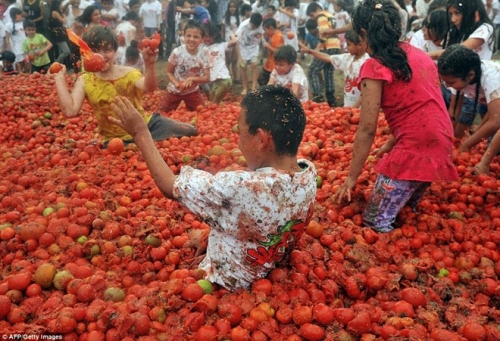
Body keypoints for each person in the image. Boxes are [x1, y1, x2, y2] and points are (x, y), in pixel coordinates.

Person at [107, 85, 317, 290]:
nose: (238, 141)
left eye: (241, 133)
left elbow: (170, 186)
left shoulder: (241, 187)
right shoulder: (307, 173)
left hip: (225, 285)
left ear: (262, 139)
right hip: (268, 268)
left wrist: (140, 132)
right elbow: (262, 219)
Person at [333, 0, 458, 233]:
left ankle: (394, 261)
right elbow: (419, 106)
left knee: (375, 221)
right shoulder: (418, 54)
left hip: (416, 147)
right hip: (441, 141)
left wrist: (351, 178)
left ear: (362, 33)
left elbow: (367, 128)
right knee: (406, 212)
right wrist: (392, 142)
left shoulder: (374, 67)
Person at [50, 25, 197, 147]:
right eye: (95, 51)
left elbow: (149, 87)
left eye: (107, 50)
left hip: (146, 126)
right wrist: (59, 79)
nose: (102, 56)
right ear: (85, 53)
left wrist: (149, 64)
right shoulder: (85, 81)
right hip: (116, 139)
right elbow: (70, 111)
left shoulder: (128, 73)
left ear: (115, 51)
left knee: (190, 130)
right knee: (132, 152)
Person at [438, 44, 500, 174]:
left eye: (451, 83)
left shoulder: (492, 78)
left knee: (492, 149)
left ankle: (484, 164)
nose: (447, 86)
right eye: (445, 82)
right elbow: (454, 111)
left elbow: (496, 121)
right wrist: (447, 141)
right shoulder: (457, 77)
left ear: (470, 75)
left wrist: (468, 145)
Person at [300, 29, 369, 107]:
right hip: (349, 106)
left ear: (359, 45)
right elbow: (328, 57)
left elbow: (367, 91)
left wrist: (354, 108)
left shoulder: (367, 62)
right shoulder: (347, 58)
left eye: (349, 44)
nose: (346, 46)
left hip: (362, 108)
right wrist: (310, 51)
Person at [160, 19, 210, 112]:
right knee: (162, 113)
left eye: (196, 37)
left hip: (193, 91)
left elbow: (207, 78)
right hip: (174, 91)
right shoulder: (177, 52)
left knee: (202, 114)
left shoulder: (204, 53)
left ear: (202, 39)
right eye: (188, 36)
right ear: (184, 36)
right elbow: (168, 71)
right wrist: (176, 84)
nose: (191, 39)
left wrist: (192, 79)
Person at [305, 2, 340, 107]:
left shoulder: (321, 16)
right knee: (328, 73)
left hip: (327, 46)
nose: (313, 18)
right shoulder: (330, 15)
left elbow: (324, 34)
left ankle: (317, 98)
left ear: (317, 9)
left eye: (312, 15)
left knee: (312, 70)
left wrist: (316, 49)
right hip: (335, 45)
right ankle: (331, 100)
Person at [203, 20, 236, 104]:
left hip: (224, 79)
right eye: (204, 36)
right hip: (214, 82)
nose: (206, 39)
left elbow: (234, 41)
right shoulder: (203, 48)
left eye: (209, 36)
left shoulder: (221, 45)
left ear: (214, 35)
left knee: (214, 103)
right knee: (213, 102)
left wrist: (232, 35)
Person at [236, 12, 264, 95]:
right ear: (250, 22)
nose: (254, 28)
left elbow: (261, 34)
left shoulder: (260, 24)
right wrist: (240, 57)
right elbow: (236, 42)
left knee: (254, 65)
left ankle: (253, 86)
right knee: (243, 67)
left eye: (256, 27)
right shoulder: (243, 26)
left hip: (254, 47)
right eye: (253, 26)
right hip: (243, 47)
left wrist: (263, 42)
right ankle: (245, 87)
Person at [258, 17, 283, 86]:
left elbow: (279, 52)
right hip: (269, 63)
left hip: (274, 64)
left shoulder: (279, 36)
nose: (265, 31)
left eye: (265, 29)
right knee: (261, 80)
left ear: (271, 28)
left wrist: (268, 46)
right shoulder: (272, 35)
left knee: (268, 82)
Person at [221, 0, 239, 81]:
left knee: (234, 61)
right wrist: (222, 41)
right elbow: (223, 31)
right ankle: (227, 77)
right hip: (227, 42)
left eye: (234, 7)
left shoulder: (239, 18)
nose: (232, 8)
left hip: (236, 42)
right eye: (231, 7)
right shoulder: (225, 18)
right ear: (228, 8)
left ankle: (236, 78)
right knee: (227, 61)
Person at [5, 7, 27, 73]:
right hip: (17, 49)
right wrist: (10, 49)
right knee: (19, 67)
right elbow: (7, 38)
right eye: (19, 14)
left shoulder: (23, 23)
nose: (21, 16)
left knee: (26, 65)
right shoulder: (9, 25)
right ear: (15, 15)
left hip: (25, 48)